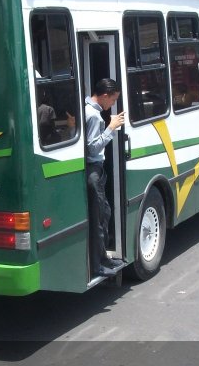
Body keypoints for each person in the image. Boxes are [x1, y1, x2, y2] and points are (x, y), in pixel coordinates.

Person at [85, 78, 126, 277]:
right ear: (103, 96)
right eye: (113, 100)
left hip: (95, 170)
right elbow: (92, 147)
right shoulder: (95, 116)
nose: (112, 104)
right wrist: (111, 128)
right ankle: (98, 264)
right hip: (94, 170)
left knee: (105, 214)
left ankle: (103, 258)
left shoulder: (87, 109)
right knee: (99, 219)